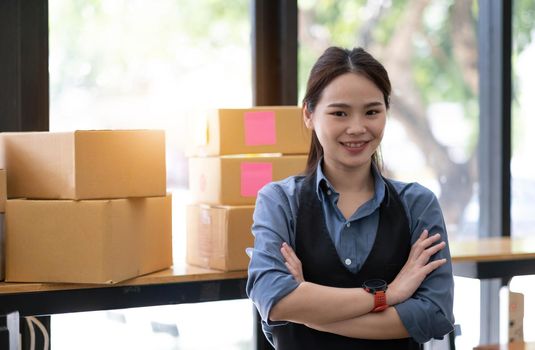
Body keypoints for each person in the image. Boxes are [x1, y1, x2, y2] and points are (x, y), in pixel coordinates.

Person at [246, 46, 454, 349]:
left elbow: (433, 314)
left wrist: (309, 309)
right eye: (339, 113)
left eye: (372, 111)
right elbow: (274, 299)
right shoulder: (279, 202)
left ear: (386, 111)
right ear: (308, 114)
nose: (357, 128)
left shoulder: (417, 204)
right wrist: (389, 296)